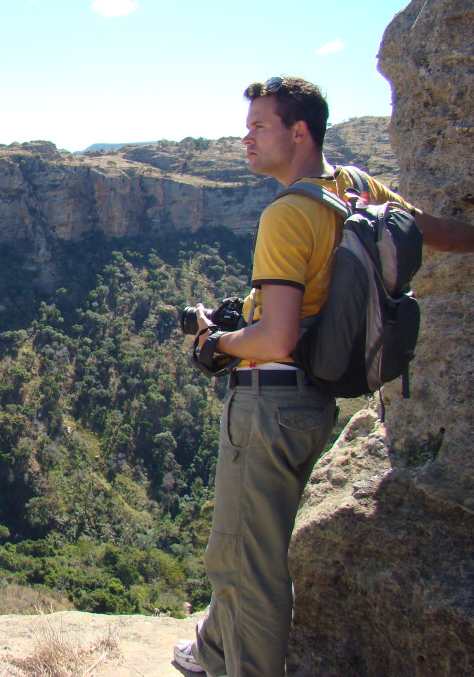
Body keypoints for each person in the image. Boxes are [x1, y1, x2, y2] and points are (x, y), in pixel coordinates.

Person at [172, 76, 474, 677]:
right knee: (236, 549)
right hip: (317, 404)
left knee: (247, 564)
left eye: (259, 127)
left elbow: (277, 337)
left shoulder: (287, 215)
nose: (245, 139)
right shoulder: (358, 186)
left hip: (268, 405)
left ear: (299, 131)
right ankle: (211, 652)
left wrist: (217, 341)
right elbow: (433, 231)